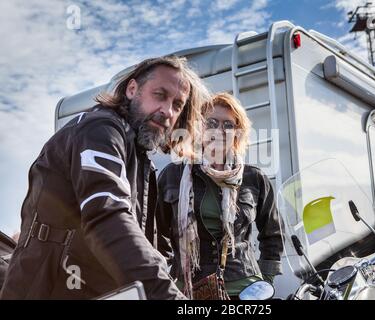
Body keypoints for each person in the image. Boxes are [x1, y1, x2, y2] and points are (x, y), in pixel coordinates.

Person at [0, 56, 210, 300]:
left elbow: (148, 241)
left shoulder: (142, 160)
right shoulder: (100, 130)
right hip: (47, 287)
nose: (167, 111)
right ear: (132, 89)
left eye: (177, 105)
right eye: (160, 95)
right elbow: (107, 215)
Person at [156, 92, 284, 299]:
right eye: (211, 122)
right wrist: (161, 281)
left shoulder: (254, 178)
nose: (219, 130)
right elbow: (157, 236)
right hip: (187, 290)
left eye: (228, 125)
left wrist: (266, 281)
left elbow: (273, 235)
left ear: (237, 134)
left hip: (246, 289)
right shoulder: (172, 175)